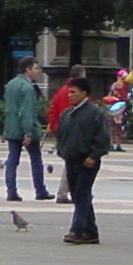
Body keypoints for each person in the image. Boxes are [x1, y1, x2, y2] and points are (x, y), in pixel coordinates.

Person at [55, 74, 111, 245]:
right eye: (69, 92)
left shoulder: (94, 113)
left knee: (81, 193)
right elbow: (61, 135)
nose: (70, 95)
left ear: (84, 93)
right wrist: (62, 151)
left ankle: (77, 229)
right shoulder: (67, 113)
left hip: (87, 160)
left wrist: (93, 156)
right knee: (79, 195)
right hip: (70, 159)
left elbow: (102, 138)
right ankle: (91, 231)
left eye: (74, 92)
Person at [1, 57, 52, 203]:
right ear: (27, 69)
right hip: (24, 128)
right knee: (36, 159)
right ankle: (40, 190)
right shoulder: (27, 87)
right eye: (35, 68)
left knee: (12, 160)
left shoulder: (11, 84)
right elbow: (26, 111)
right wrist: (28, 132)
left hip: (11, 128)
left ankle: (11, 191)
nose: (37, 71)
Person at [46, 65, 86, 203]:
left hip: (62, 129)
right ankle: (65, 193)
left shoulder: (61, 90)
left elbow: (52, 109)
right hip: (74, 130)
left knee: (71, 161)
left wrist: (55, 127)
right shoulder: (78, 92)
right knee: (74, 163)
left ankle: (73, 192)